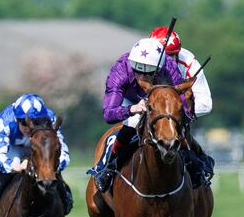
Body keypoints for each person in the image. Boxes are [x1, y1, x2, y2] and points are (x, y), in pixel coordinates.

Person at [90, 38, 184, 192]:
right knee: (133, 122)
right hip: (130, 101)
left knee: (175, 123)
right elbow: (108, 113)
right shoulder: (120, 70)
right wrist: (132, 109)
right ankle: (109, 166)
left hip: (160, 102)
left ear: (159, 68)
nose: (142, 79)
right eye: (138, 72)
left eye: (149, 74)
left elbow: (181, 103)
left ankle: (194, 162)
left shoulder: (169, 68)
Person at [0, 93, 72, 217]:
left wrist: (51, 167)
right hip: (14, 149)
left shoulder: (50, 118)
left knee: (50, 169)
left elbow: (63, 153)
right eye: (24, 123)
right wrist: (14, 167)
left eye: (35, 123)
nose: (28, 127)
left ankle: (65, 198)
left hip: (40, 149)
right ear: (16, 119)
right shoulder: (5, 119)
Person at [149, 26, 215, 186]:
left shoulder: (189, 62)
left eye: (174, 55)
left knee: (186, 140)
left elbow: (206, 104)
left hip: (177, 119)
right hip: (148, 112)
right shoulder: (144, 58)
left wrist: (174, 112)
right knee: (128, 127)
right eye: (166, 56)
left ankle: (200, 172)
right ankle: (106, 168)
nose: (170, 60)